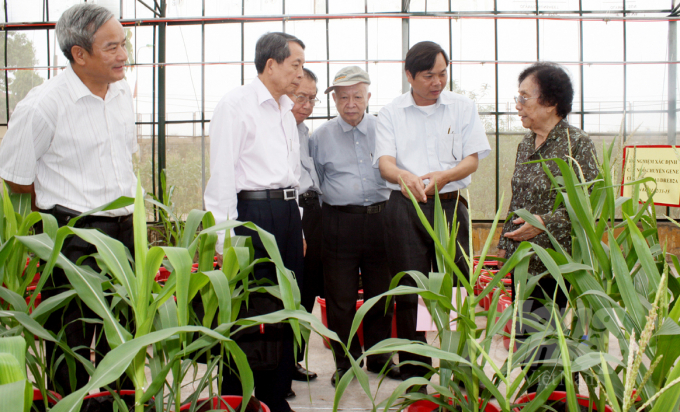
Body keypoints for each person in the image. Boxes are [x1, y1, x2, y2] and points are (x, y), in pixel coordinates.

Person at [0, 4, 136, 395]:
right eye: (111, 47)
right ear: (79, 53)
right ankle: (74, 403)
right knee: (71, 340)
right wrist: (63, 199)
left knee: (125, 332)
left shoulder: (122, 91)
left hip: (125, 231)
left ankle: (119, 402)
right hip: (72, 237)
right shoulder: (43, 106)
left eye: (123, 44)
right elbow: (15, 176)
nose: (123, 55)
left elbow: (125, 159)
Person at [374, 41, 491, 384]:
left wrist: (445, 177)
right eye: (428, 76)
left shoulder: (462, 107)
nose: (437, 82)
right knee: (411, 283)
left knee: (456, 280)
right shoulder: (392, 112)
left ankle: (458, 361)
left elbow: (472, 158)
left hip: (451, 204)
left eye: (442, 74)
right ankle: (415, 367)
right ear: (409, 75)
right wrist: (403, 176)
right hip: (405, 206)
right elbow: (385, 164)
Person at [203, 31, 305, 412]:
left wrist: (298, 223)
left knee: (288, 305)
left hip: (285, 216)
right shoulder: (236, 106)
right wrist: (226, 239)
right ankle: (242, 395)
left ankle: (275, 396)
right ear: (271, 64)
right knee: (250, 310)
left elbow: (290, 174)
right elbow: (223, 178)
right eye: (295, 65)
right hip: (252, 216)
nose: (300, 73)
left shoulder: (284, 109)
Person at [496, 62, 598, 391]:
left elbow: (590, 204)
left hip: (558, 264)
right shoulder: (526, 145)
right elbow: (517, 199)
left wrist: (544, 224)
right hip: (524, 262)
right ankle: (532, 394)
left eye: (525, 97)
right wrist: (504, 244)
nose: (518, 105)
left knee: (552, 342)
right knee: (526, 339)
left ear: (550, 102)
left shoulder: (577, 145)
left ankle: (554, 399)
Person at [311, 66, 398, 387]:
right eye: (343, 97)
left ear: (368, 97)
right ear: (334, 99)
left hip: (381, 220)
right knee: (340, 298)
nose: (351, 103)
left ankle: (379, 357)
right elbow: (316, 183)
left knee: (381, 292)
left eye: (357, 96)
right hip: (338, 223)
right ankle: (344, 362)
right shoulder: (320, 137)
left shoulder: (384, 129)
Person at [288, 68, 321, 388]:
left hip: (312, 211)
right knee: (289, 289)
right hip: (289, 211)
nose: (308, 104)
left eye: (312, 98)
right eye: (302, 97)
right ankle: (281, 361)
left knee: (307, 289)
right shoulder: (278, 127)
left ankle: (294, 357)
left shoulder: (304, 131)